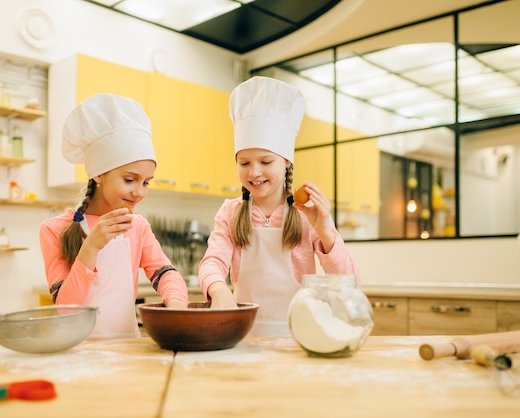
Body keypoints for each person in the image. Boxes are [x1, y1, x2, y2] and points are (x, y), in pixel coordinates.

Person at [198, 76, 361, 337]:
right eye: (244, 163)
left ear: (286, 161)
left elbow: (351, 282)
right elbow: (212, 262)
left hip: (297, 337)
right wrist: (218, 289)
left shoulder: (306, 214)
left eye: (265, 161)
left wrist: (326, 232)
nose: (254, 171)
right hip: (241, 337)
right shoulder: (230, 212)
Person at [39, 93, 188, 338]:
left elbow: (165, 273)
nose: (139, 192)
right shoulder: (54, 229)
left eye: (146, 182)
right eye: (129, 180)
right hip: (77, 353)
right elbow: (66, 308)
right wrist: (91, 246)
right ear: (98, 174)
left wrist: (177, 305)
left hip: (127, 349)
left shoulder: (137, 226)